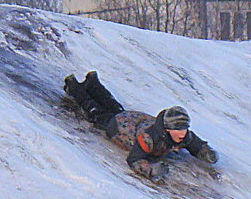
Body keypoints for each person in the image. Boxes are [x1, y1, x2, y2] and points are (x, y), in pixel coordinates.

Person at [63, 70, 217, 179]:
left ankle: (92, 83)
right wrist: (151, 170)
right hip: (119, 128)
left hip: (134, 119)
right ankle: (73, 86)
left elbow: (196, 145)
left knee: (113, 106)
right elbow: (135, 159)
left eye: (184, 129)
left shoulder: (184, 135)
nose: (182, 133)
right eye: (177, 130)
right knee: (96, 112)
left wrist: (205, 152)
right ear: (168, 129)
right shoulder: (149, 138)